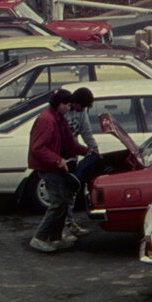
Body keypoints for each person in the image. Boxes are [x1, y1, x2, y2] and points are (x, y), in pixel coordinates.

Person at [27, 89, 88, 252]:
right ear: (60, 104)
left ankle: (55, 238)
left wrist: (87, 151)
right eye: (67, 105)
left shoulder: (58, 117)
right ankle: (40, 237)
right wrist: (58, 160)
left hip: (55, 166)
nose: (70, 108)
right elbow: (38, 148)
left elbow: (69, 142)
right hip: (48, 167)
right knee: (58, 202)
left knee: (62, 201)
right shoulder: (47, 120)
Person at [64, 87, 102, 237]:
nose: (82, 110)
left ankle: (69, 224)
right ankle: (61, 228)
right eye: (82, 106)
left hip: (73, 156)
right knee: (61, 196)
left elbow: (86, 131)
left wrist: (94, 150)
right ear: (75, 102)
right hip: (60, 158)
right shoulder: (63, 111)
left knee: (71, 193)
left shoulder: (82, 111)